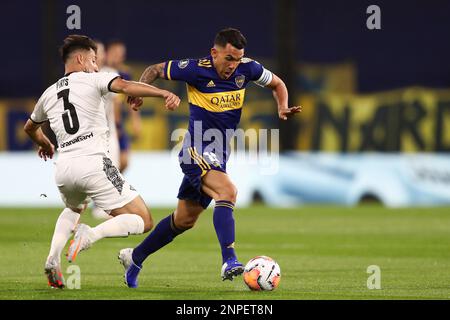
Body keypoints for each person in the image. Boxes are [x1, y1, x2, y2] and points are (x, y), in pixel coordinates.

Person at [119, 28, 301, 288]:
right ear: (214, 53)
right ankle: (229, 260)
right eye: (229, 58)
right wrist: (140, 92)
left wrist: (282, 105)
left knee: (184, 220)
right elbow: (155, 69)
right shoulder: (195, 69)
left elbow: (278, 84)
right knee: (227, 191)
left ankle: (134, 257)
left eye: (238, 59)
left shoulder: (248, 69)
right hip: (195, 147)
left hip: (219, 153)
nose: (233, 65)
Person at [23, 34, 180, 289]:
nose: (97, 66)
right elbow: (127, 87)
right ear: (82, 59)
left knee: (74, 208)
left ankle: (52, 258)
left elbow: (30, 127)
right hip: (93, 163)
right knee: (144, 219)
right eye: (94, 60)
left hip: (63, 169)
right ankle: (90, 234)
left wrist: (44, 143)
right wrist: (162, 92)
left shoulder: (49, 93)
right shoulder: (95, 78)